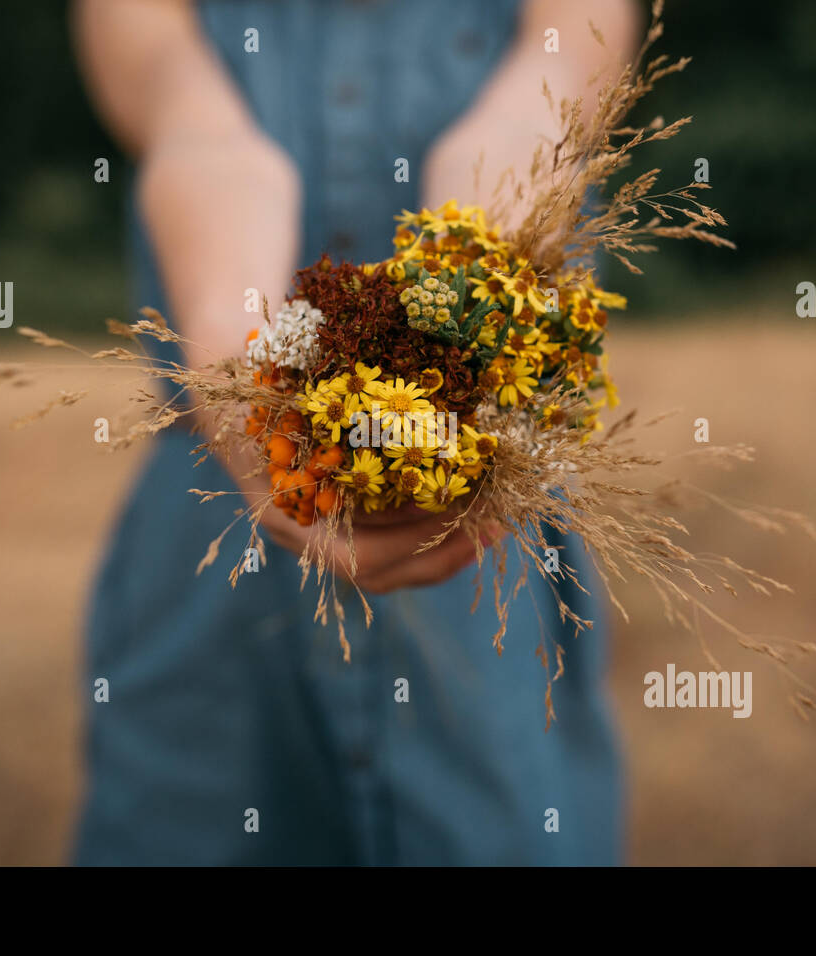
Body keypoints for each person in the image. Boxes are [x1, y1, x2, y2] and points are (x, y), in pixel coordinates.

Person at [70, 0, 638, 865]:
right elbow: (191, 124)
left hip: (491, 570)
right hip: (209, 551)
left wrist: (477, 268)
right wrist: (235, 359)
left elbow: (553, 82)